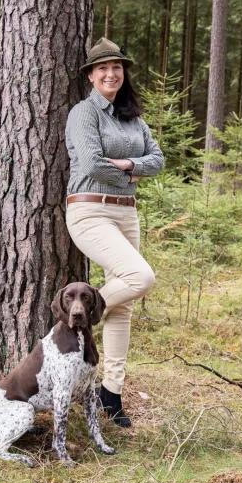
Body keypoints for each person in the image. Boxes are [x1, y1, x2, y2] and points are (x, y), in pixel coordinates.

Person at [64, 37, 165, 428]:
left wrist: (125, 163)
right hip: (89, 210)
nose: (111, 74)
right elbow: (90, 163)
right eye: (103, 68)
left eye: (117, 68)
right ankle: (74, 319)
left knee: (122, 307)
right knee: (140, 277)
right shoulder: (83, 113)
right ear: (91, 76)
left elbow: (158, 160)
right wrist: (132, 170)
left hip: (127, 214)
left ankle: (112, 393)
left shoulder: (133, 118)